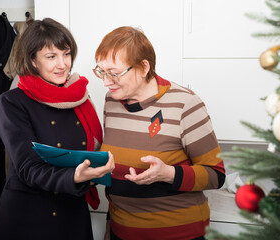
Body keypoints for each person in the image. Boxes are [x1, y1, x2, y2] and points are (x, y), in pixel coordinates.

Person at [93, 26, 226, 240]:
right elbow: (118, 175)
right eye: (101, 71)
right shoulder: (112, 101)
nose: (106, 82)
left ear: (144, 67)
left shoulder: (185, 103)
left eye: (114, 73)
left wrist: (168, 174)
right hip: (122, 231)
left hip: (179, 234)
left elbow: (216, 175)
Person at [0, 18, 114, 240]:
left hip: (72, 214)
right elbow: (28, 168)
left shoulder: (80, 98)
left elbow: (91, 151)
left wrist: (96, 170)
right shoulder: (12, 102)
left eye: (66, 54)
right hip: (29, 218)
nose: (62, 64)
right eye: (51, 56)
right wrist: (74, 176)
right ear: (33, 61)